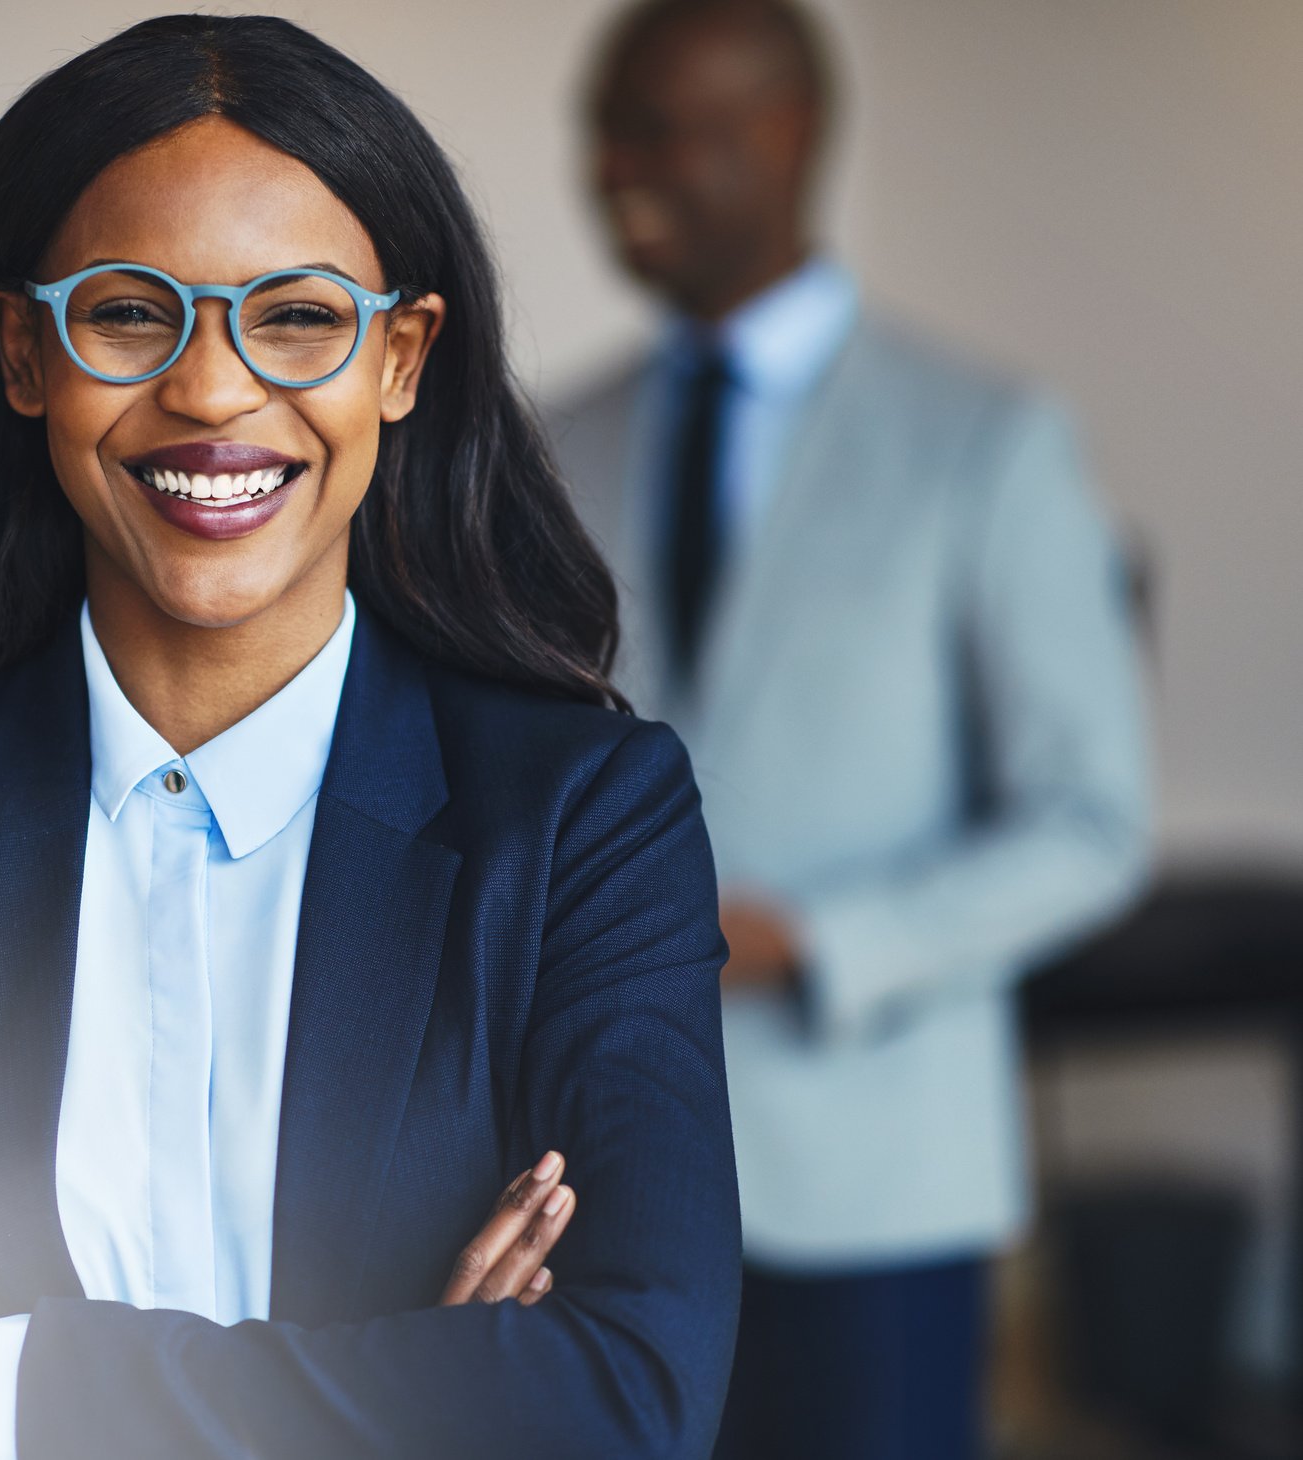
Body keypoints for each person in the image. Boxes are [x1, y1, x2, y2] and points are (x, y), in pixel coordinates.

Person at [0, 14, 741, 1460]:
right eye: (129, 314)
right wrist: (418, 1382)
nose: (212, 392)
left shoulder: (586, 820)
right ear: (23, 351)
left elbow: (627, 1400)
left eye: (295, 317)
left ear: (400, 359)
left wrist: (1, 1394)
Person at [549, 2, 1152, 1456]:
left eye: (658, 131)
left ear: (787, 134)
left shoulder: (982, 444)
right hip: (599, 1182)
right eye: (600, 134)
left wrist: (815, 943)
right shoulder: (547, 444)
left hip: (875, 1178)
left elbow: (1089, 822)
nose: (613, 171)